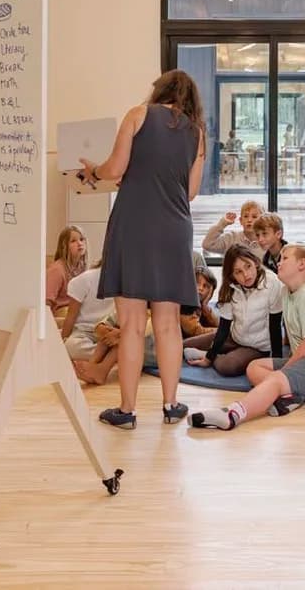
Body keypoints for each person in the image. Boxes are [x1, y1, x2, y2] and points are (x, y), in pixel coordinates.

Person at [80, 70, 206, 430]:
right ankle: (171, 404)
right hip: (174, 229)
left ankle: (128, 410)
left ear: (159, 91)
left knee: (133, 325)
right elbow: (191, 191)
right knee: (168, 325)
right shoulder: (197, 134)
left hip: (134, 225)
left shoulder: (138, 115)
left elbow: (115, 168)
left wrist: (95, 171)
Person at [190, 243, 305, 430]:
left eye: (284, 258)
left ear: (301, 265)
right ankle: (289, 397)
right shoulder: (287, 292)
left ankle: (232, 414)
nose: (278, 262)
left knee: (275, 379)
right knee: (254, 367)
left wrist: (284, 371)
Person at [184, 243, 285, 376]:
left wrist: (276, 363)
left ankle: (210, 355)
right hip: (235, 336)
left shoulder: (273, 283)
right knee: (183, 345)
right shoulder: (230, 288)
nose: (246, 275)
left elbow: (276, 325)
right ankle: (214, 353)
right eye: (238, 272)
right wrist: (210, 355)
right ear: (232, 275)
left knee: (227, 367)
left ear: (255, 262)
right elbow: (224, 327)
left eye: (248, 266)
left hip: (257, 346)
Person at [59, 261, 110, 363]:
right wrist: (61, 343)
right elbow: (71, 316)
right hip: (84, 332)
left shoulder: (126, 282)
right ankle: (109, 355)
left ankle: (110, 355)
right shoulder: (85, 280)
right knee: (71, 346)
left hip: (109, 331)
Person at [46, 225, 89, 316]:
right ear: (64, 246)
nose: (79, 243)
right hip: (62, 314)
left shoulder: (83, 267)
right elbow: (46, 302)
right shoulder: (56, 270)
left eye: (81, 239)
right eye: (73, 241)